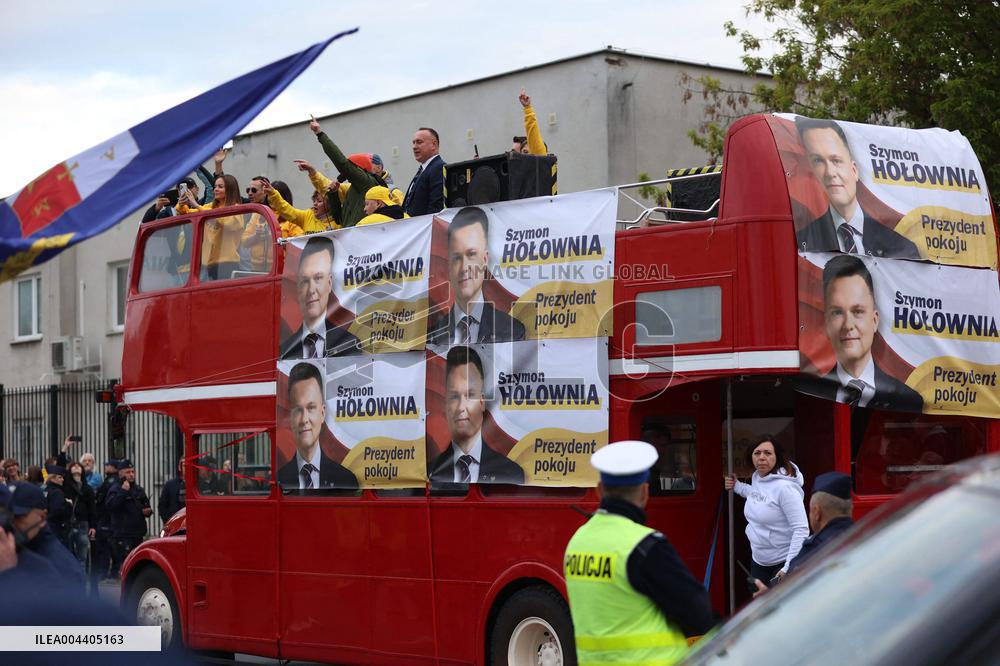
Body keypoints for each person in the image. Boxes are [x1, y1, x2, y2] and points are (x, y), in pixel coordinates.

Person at [564, 440, 716, 665]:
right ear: (645, 492)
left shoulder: (577, 542)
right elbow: (698, 611)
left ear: (599, 490)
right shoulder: (645, 545)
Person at [800, 255, 924, 411]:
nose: (848, 325)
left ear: (875, 320)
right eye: (837, 312)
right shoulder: (807, 396)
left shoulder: (907, 400)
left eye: (858, 311)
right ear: (826, 323)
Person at [794, 117, 919, 259]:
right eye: (818, 161)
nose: (830, 173)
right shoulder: (802, 241)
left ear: (854, 170)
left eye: (836, 160)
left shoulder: (901, 246)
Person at [427, 206, 526, 344]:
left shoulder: (512, 330)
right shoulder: (432, 337)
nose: (464, 268)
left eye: (471, 254)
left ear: (485, 260)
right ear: (449, 265)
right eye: (457, 258)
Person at [428, 346, 524, 485]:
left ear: (482, 402)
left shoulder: (511, 473)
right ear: (446, 404)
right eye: (454, 396)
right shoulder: (429, 472)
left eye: (470, 395)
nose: (461, 407)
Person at [725, 436, 808, 586]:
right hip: (758, 561)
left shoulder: (785, 488)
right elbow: (758, 496)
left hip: (782, 563)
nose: (762, 457)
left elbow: (801, 529)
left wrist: (788, 567)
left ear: (777, 457)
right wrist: (737, 486)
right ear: (751, 457)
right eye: (757, 453)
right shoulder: (758, 477)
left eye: (768, 453)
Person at [277, 362, 359, 491]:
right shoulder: (279, 481)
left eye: (311, 408)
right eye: (298, 409)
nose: (304, 419)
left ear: (322, 413)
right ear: (291, 416)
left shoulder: (346, 480)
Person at [279, 236, 361, 359]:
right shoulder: (284, 351)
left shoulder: (349, 344)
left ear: (329, 283)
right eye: (305, 281)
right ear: (298, 287)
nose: (311, 290)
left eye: (318, 278)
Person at [308, 116, 383, 227]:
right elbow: (339, 219)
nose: (348, 171)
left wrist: (320, 134)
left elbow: (342, 163)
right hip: (349, 235)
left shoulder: (367, 182)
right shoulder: (353, 189)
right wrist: (333, 194)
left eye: (352, 166)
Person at [8, 481, 85, 586]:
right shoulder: (12, 550)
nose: (11, 523)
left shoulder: (61, 567)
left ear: (42, 517)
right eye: (6, 515)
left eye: (19, 517)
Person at [178, 173, 245, 280]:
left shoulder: (236, 208)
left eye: (220, 187)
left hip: (227, 263)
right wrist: (181, 204)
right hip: (209, 264)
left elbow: (226, 222)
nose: (216, 189)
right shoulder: (211, 207)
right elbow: (187, 213)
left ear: (230, 190)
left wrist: (197, 205)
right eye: (215, 186)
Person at [787, 471, 855, 574]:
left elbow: (792, 580)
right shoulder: (864, 537)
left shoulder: (813, 551)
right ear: (851, 508)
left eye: (810, 510)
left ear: (817, 512)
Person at [105, 459, 151, 579]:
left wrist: (147, 511)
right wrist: (123, 492)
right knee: (125, 565)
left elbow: (145, 505)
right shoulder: (115, 489)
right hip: (123, 535)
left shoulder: (138, 489)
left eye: (132, 472)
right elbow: (111, 506)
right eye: (128, 472)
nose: (131, 475)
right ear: (120, 473)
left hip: (137, 533)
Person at [402, 127, 446, 217]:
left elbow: (436, 209)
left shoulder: (438, 168)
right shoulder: (424, 169)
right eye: (413, 143)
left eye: (419, 142)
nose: (414, 147)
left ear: (433, 145)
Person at [64, 461, 97, 573]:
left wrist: (93, 526)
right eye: (74, 466)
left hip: (83, 524)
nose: (77, 467)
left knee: (82, 556)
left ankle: (81, 579)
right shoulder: (66, 487)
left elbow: (92, 509)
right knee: (68, 554)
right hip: (69, 523)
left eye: (79, 466)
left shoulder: (87, 489)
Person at [91, 460, 119, 585]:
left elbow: (102, 499)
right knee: (107, 547)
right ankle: (109, 572)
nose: (106, 467)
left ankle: (105, 573)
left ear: (113, 467)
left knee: (105, 548)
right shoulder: (110, 480)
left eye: (108, 465)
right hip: (106, 518)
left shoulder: (111, 481)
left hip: (105, 518)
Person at [43, 464, 73, 549]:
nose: (62, 480)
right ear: (52, 478)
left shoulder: (45, 490)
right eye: (60, 477)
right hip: (57, 528)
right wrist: (68, 504)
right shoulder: (57, 492)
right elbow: (58, 510)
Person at [517, 88, 548, 155]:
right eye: (524, 152)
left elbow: (533, 134)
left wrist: (528, 109)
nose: (528, 154)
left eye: (526, 152)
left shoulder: (539, 155)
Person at [158, 457, 186, 524]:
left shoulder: (197, 484)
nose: (187, 468)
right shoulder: (170, 485)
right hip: (175, 523)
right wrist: (169, 522)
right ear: (179, 467)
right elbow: (162, 506)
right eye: (184, 466)